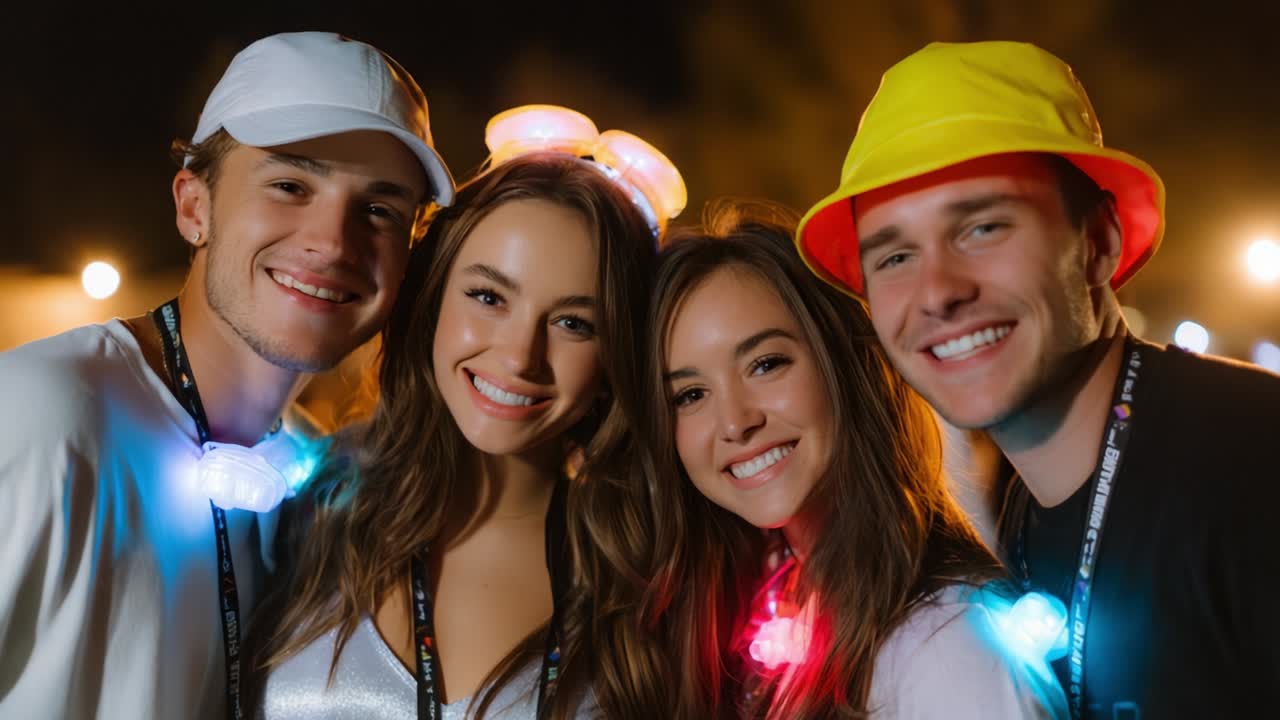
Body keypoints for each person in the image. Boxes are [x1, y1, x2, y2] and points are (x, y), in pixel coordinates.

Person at [797, 40, 1280, 718]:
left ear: (1098, 242)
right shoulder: (1023, 512)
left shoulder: (1252, 462)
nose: (937, 292)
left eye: (983, 228)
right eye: (896, 256)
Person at [0, 31, 454, 719]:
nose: (333, 242)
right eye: (290, 185)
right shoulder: (42, 414)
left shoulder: (306, 479)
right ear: (195, 207)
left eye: (379, 210)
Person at [249, 105, 684, 720]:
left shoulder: (651, 576)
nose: (519, 355)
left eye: (573, 323)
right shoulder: (301, 504)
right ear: (432, 295)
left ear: (618, 355)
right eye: (488, 296)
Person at [641, 202, 1066, 718]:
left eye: (766, 364)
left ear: (847, 362)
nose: (734, 422)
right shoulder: (776, 616)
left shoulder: (949, 647)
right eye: (690, 395)